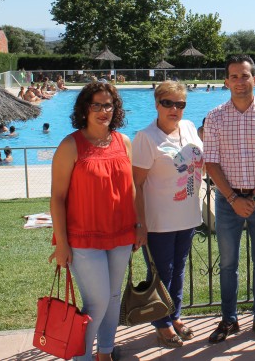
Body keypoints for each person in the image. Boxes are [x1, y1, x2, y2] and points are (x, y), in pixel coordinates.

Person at [49, 82, 141, 361]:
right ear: (85, 109)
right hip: (84, 237)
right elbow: (57, 198)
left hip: (121, 234)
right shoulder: (70, 145)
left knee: (113, 297)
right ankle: (82, 357)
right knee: (98, 300)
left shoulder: (123, 142)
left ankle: (105, 352)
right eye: (96, 105)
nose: (104, 111)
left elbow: (131, 188)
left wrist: (138, 226)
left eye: (108, 105)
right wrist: (62, 243)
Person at [204, 55, 255, 343]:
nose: (240, 81)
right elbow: (210, 162)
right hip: (227, 202)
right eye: (234, 76)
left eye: (245, 75)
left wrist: (253, 196)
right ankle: (229, 319)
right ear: (226, 81)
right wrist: (233, 197)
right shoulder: (214, 117)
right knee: (228, 264)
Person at [132, 81, 204, 348]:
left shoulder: (188, 127)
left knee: (179, 270)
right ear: (157, 104)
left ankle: (174, 315)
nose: (174, 109)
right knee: (163, 273)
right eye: (168, 103)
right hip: (159, 221)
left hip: (187, 216)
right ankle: (161, 324)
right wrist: (139, 223)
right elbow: (136, 184)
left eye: (180, 104)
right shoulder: (146, 138)